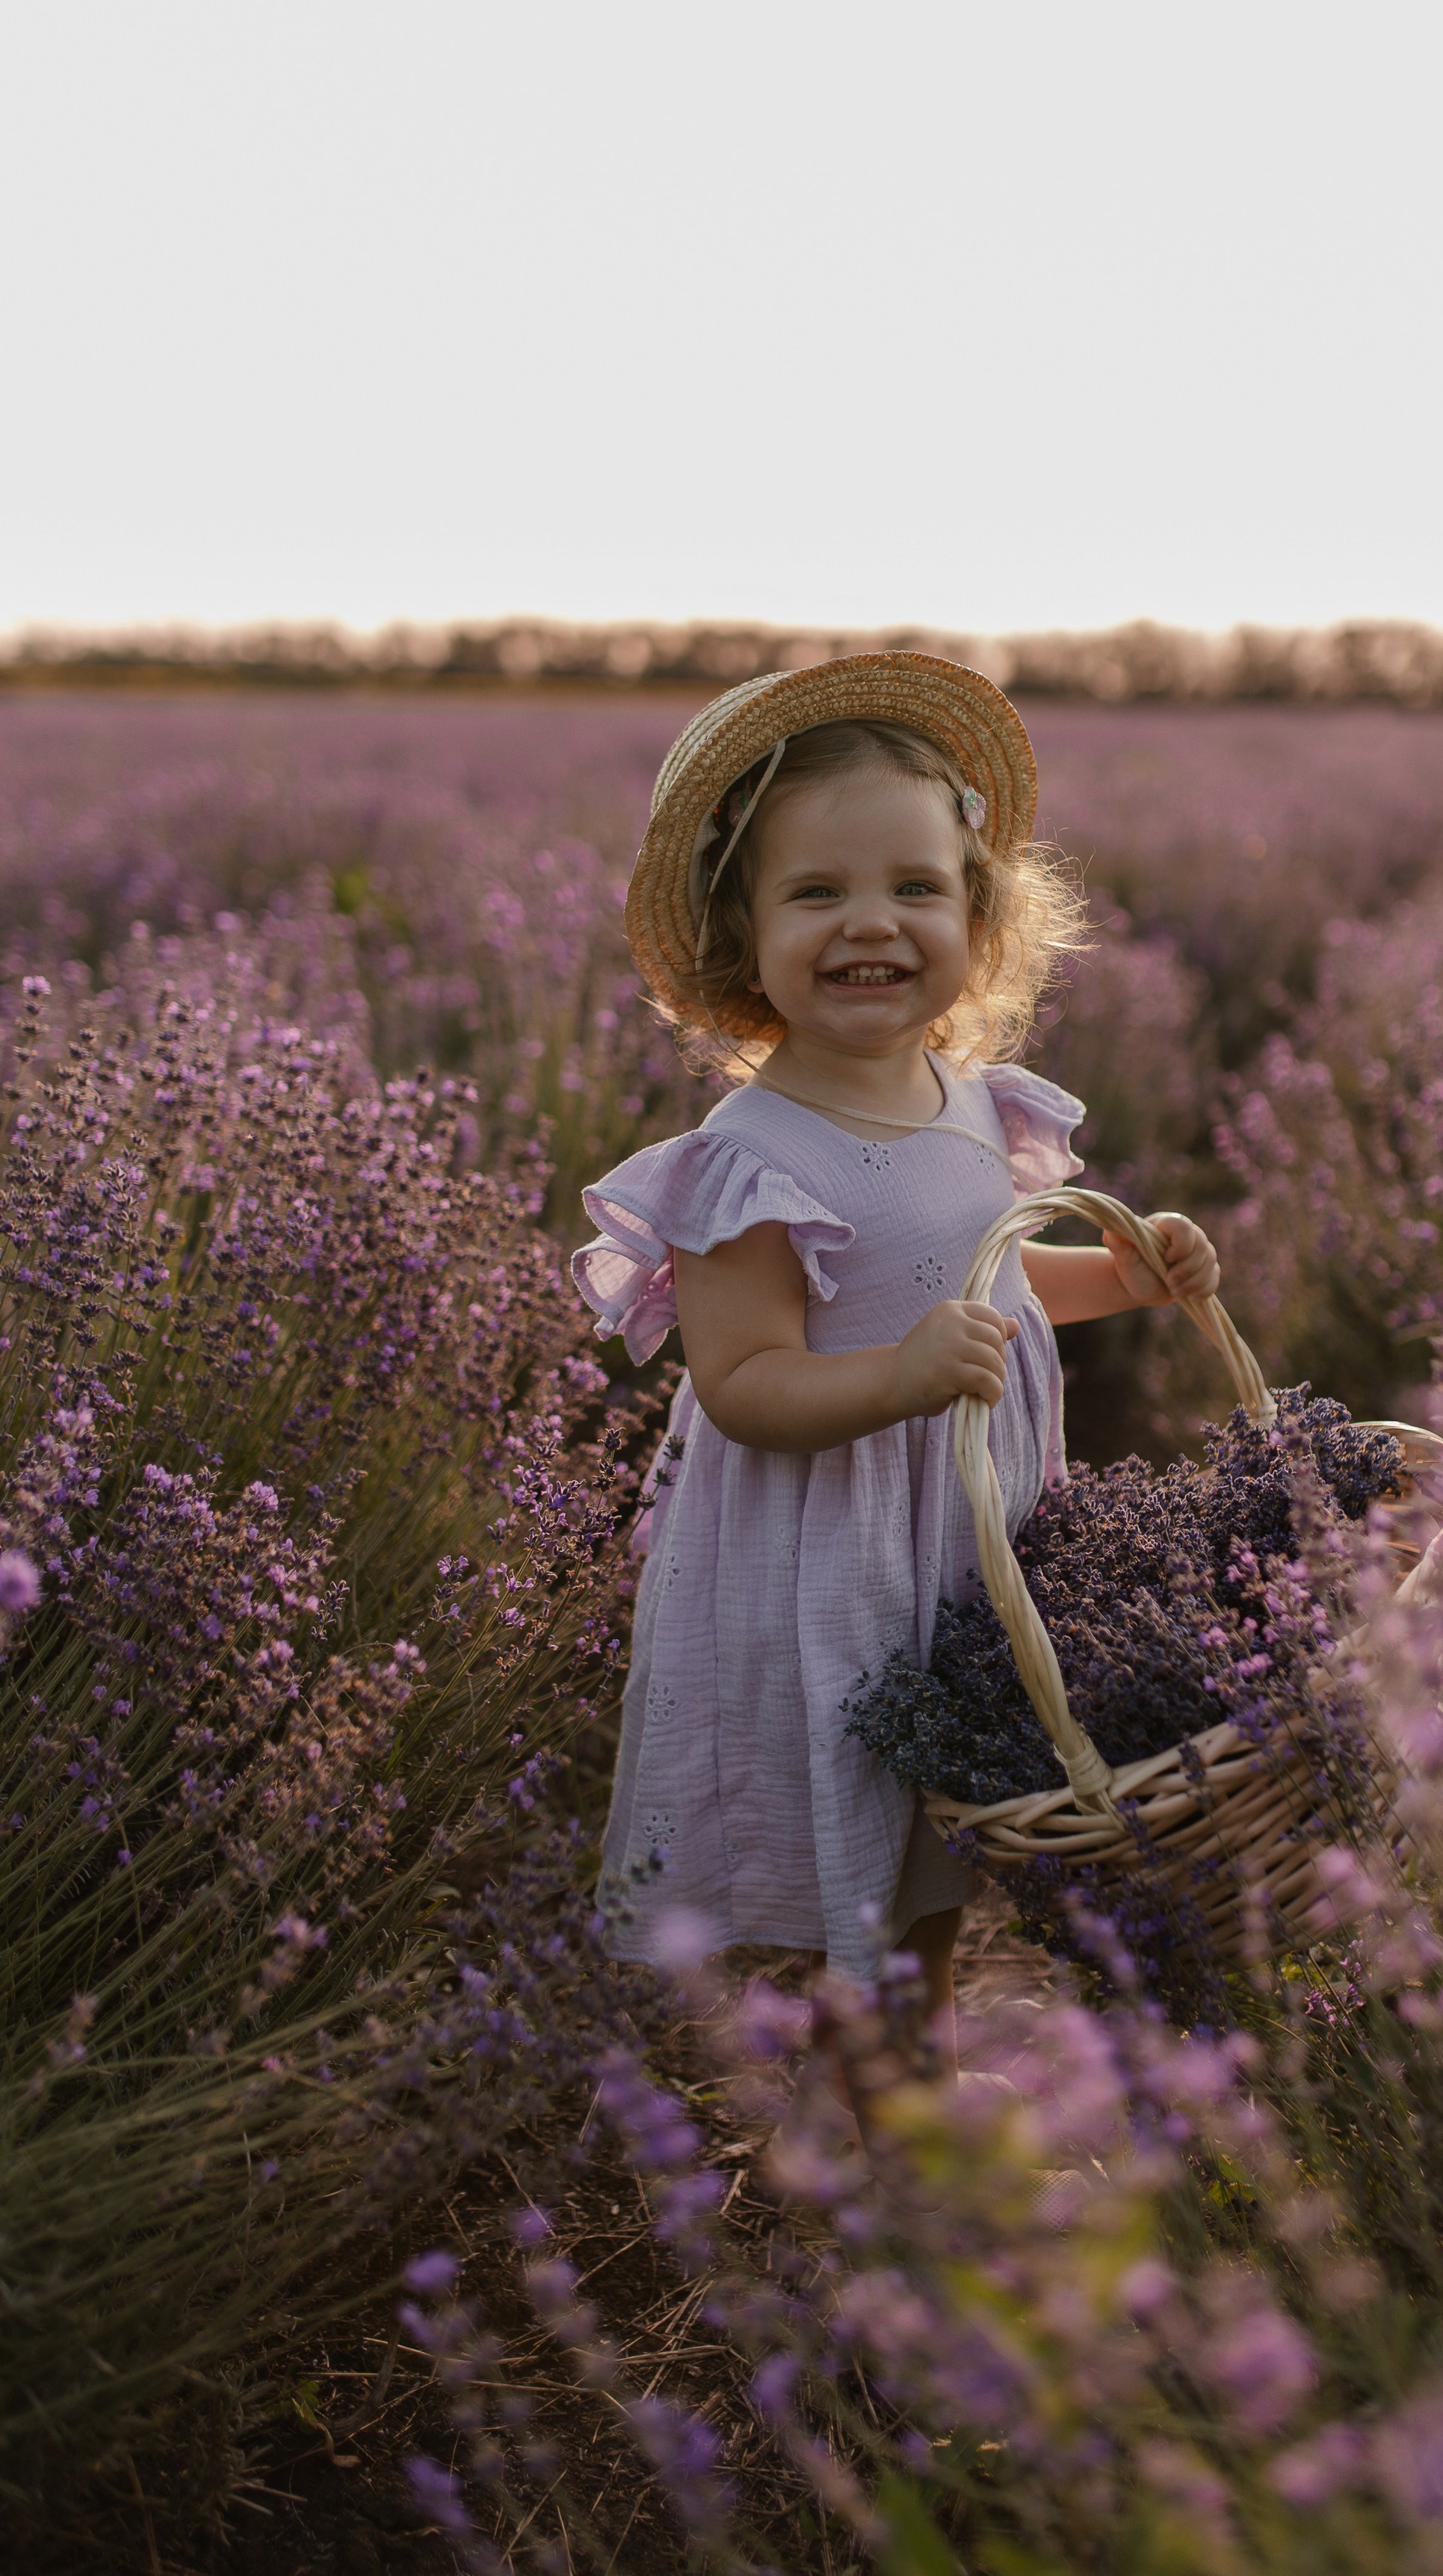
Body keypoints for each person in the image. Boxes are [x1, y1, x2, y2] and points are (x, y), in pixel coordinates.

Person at [573, 652, 1218, 2063]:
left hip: (963, 1526)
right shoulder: (744, 1165)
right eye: (817, 893)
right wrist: (903, 1377)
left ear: (979, 922)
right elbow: (742, 1388)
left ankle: (907, 2090)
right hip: (832, 1554)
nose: (872, 924)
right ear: (741, 935)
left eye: (915, 889)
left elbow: (985, 1280)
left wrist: (1125, 1272)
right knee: (864, 1849)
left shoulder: (970, 1102)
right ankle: (883, 2138)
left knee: (937, 1844)